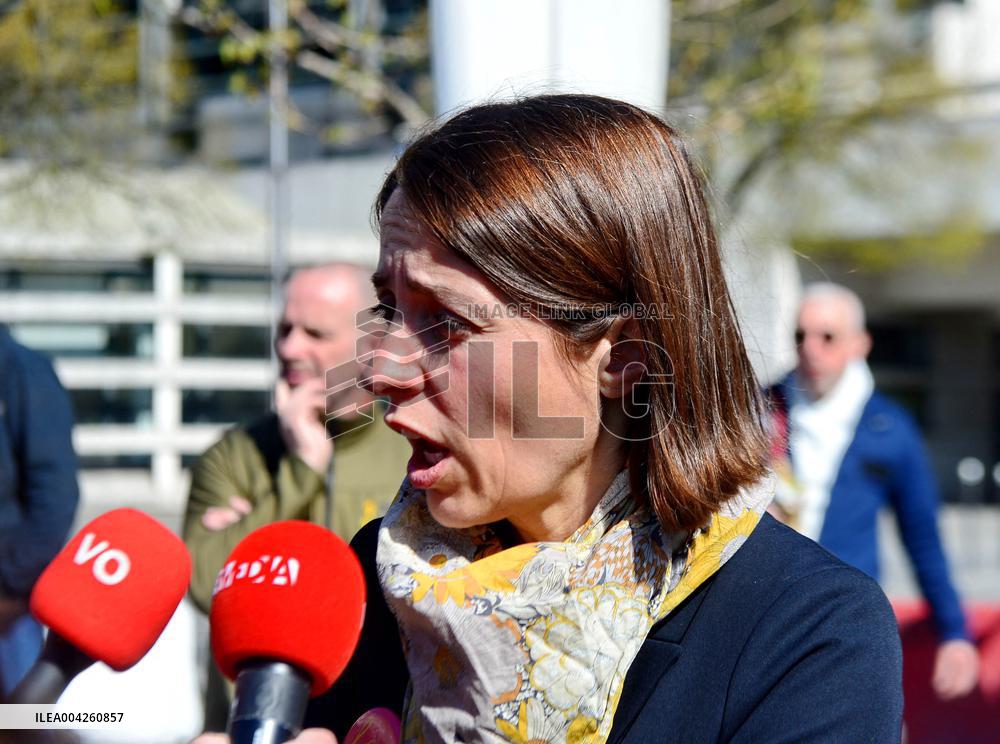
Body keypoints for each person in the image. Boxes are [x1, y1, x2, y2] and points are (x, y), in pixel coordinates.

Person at [195, 95, 902, 744]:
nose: (380, 368)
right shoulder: (371, 586)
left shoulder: (806, 635)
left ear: (624, 354)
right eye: (388, 310)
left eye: (446, 322)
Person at [183, 263, 411, 728]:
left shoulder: (412, 450)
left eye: (315, 333)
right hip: (250, 723)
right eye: (284, 329)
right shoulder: (234, 455)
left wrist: (251, 522)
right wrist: (300, 471)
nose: (288, 348)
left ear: (372, 344)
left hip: (369, 723)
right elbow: (206, 583)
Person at [767, 282, 979, 701]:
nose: (811, 348)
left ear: (860, 344)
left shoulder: (890, 427)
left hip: (843, 621)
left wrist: (954, 631)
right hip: (767, 616)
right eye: (800, 335)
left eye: (828, 336)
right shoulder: (758, 412)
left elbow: (922, 536)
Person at [0, 326, 79, 697]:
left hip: (9, 611)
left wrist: (10, 588)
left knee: (23, 719)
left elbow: (55, 497)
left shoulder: (22, 371)